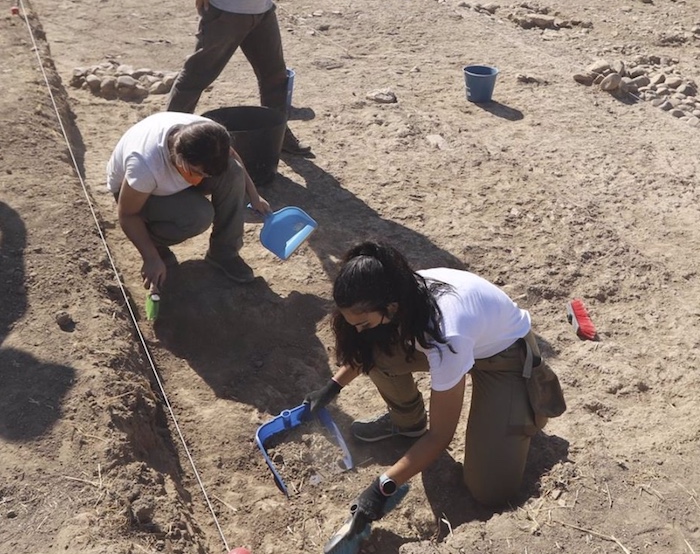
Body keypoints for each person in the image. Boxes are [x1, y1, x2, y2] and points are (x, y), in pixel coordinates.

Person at [304, 241, 565, 524]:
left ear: (390, 308)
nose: (358, 331)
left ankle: (525, 407)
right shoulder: (397, 291)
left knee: (489, 490)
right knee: (377, 351)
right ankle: (408, 423)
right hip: (466, 340)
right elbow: (365, 352)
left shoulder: (444, 334)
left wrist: (382, 488)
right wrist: (332, 387)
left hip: (504, 357)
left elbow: (441, 436)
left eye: (364, 324)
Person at [106, 111, 271, 291]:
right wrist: (150, 257)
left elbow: (233, 158)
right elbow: (128, 214)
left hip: (171, 178)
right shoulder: (145, 166)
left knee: (233, 172)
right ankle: (156, 244)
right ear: (179, 156)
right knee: (198, 215)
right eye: (198, 172)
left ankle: (224, 252)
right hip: (139, 194)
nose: (204, 177)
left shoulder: (210, 135)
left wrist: (254, 195)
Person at [166, 0, 312, 156]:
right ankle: (168, 139)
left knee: (275, 76)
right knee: (195, 78)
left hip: (262, 9)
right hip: (226, 12)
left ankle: (279, 135)